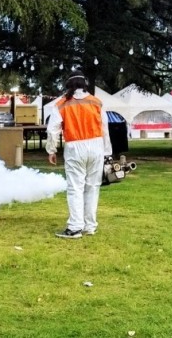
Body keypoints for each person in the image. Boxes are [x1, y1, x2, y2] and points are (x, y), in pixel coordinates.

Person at [45, 70, 112, 239]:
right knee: (92, 187)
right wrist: (107, 153)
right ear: (84, 84)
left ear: (69, 85)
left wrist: (52, 150)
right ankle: (90, 226)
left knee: (75, 188)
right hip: (96, 146)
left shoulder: (61, 104)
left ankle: (75, 227)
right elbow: (105, 129)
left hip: (75, 147)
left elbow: (52, 130)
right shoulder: (96, 102)